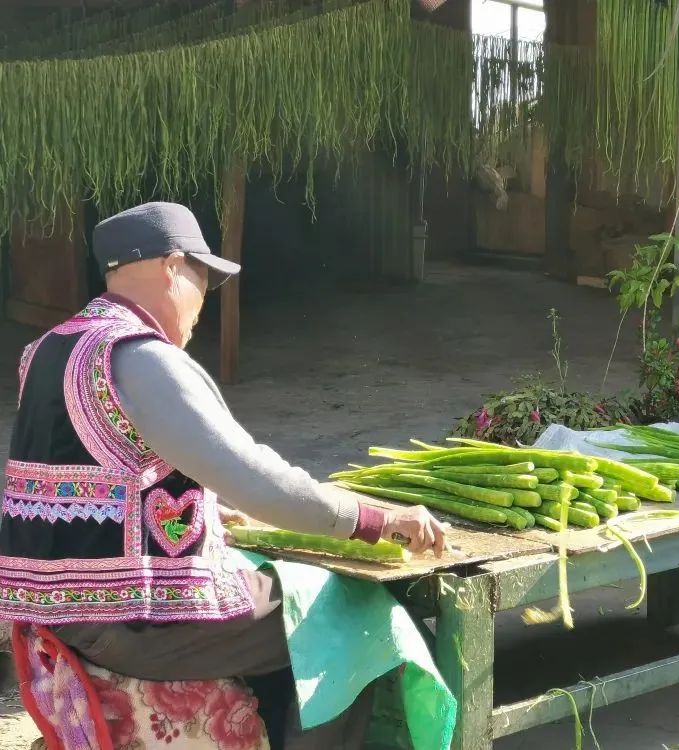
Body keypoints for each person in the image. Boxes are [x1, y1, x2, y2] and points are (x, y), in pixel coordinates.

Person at [0, 202, 447, 748]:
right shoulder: (139, 355)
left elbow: (104, 473)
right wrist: (375, 518)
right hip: (127, 622)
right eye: (203, 284)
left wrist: (204, 508)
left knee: (284, 598)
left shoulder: (50, 347)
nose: (200, 308)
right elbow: (257, 479)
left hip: (51, 610)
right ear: (171, 266)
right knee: (350, 617)